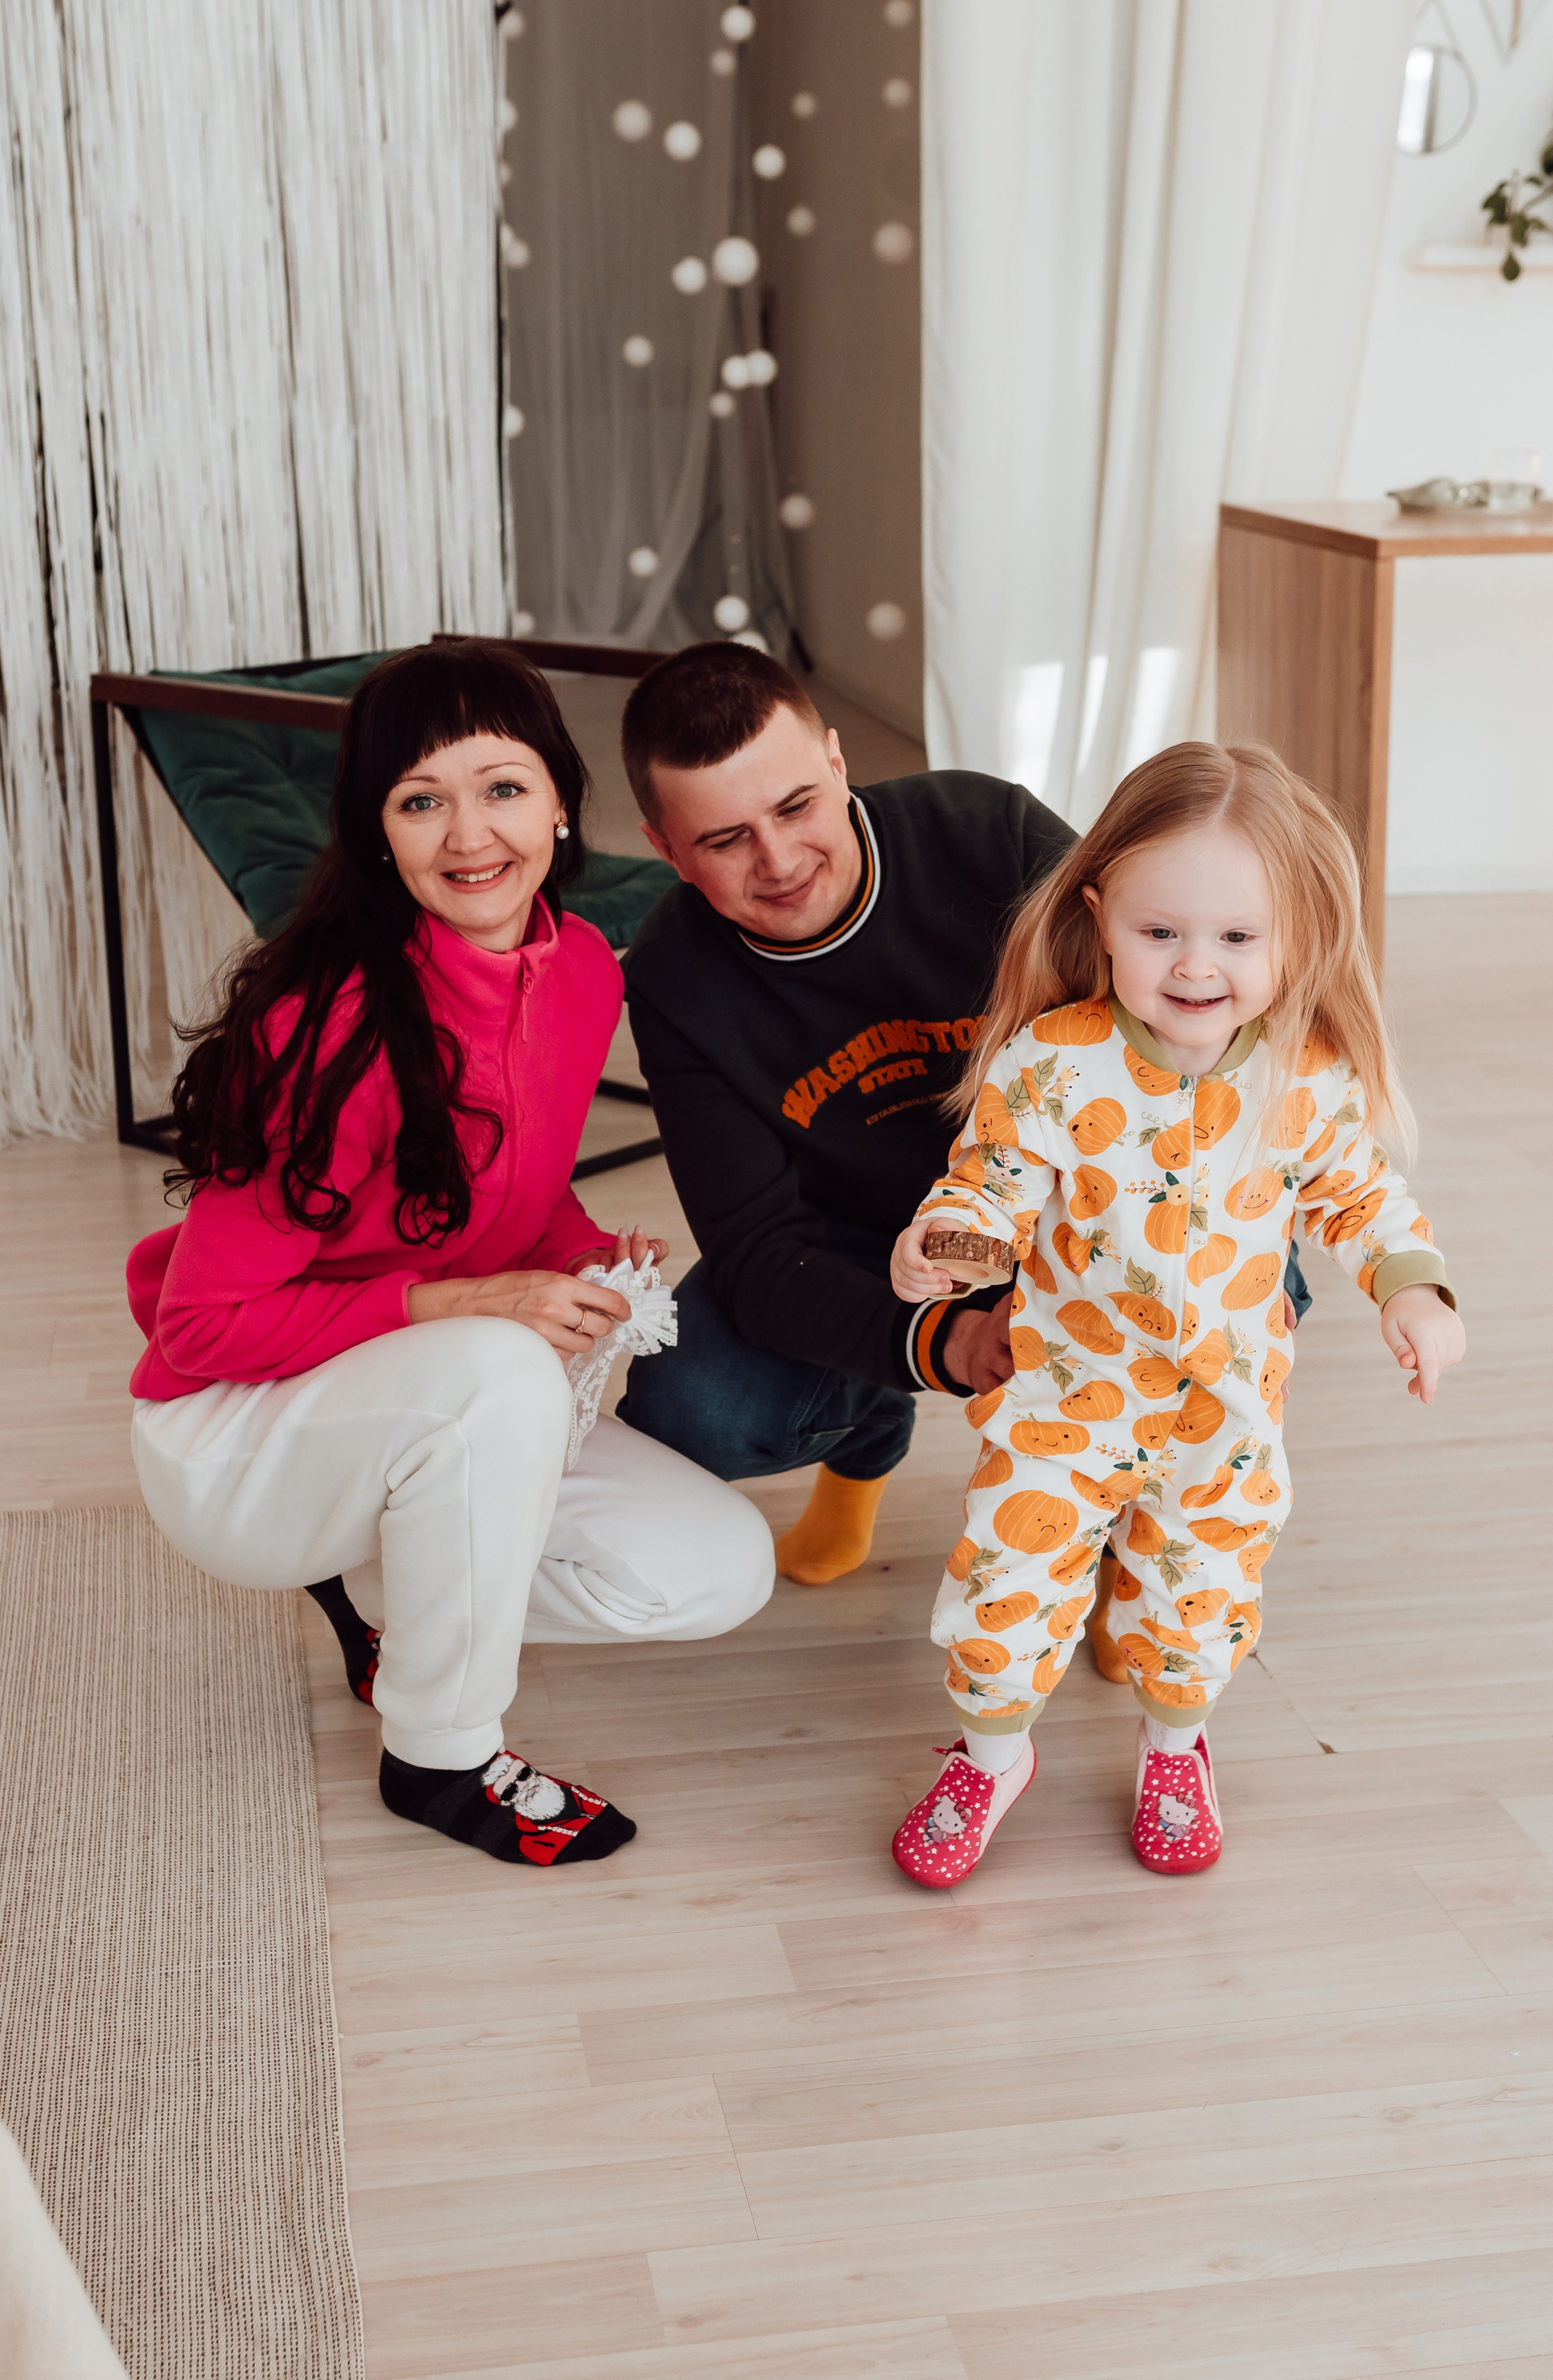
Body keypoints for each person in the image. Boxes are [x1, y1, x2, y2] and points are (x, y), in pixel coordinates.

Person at [125, 640, 772, 1870]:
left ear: (561, 801)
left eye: (503, 787)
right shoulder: (329, 1028)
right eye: (421, 801)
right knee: (500, 1364)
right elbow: (199, 1328)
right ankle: (439, 1751)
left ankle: (388, 1601)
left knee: (717, 1571)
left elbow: (510, 1196)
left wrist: (586, 1252)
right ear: (379, 833)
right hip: (237, 1434)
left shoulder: (581, 968)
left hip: (417, 1396)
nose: (470, 834)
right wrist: (464, 1302)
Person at [616, 642, 1309, 1593]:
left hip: (1080, 1198)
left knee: (1251, 1277)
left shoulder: (989, 834)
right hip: (863, 1242)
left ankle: (1135, 1534)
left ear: (836, 761)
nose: (778, 861)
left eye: (797, 806)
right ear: (664, 848)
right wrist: (946, 1340)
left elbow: (1188, 1010)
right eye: (725, 840)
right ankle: (865, 1442)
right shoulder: (673, 977)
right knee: (693, 1408)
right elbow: (755, 1249)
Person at [887, 741, 1464, 1883]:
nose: (1197, 965)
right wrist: (946, 1243)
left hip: (1225, 1416)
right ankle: (993, 1755)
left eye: (1239, 937)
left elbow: (1360, 1197)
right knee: (1006, 1584)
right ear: (1099, 917)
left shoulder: (1306, 1074)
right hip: (1066, 1400)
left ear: (1294, 935)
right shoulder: (1055, 1063)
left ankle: (1174, 1746)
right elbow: (990, 1182)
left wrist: (1413, 1288)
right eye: (1161, 931)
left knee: (1201, 1596)